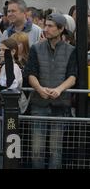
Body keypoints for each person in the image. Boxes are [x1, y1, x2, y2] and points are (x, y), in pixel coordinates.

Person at [25, 13, 76, 169]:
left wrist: (59, 90)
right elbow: (30, 73)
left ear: (61, 29)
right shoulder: (36, 48)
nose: (45, 29)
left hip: (60, 105)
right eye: (45, 25)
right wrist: (40, 89)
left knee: (56, 150)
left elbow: (73, 76)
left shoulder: (71, 50)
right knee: (37, 150)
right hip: (39, 104)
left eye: (50, 26)